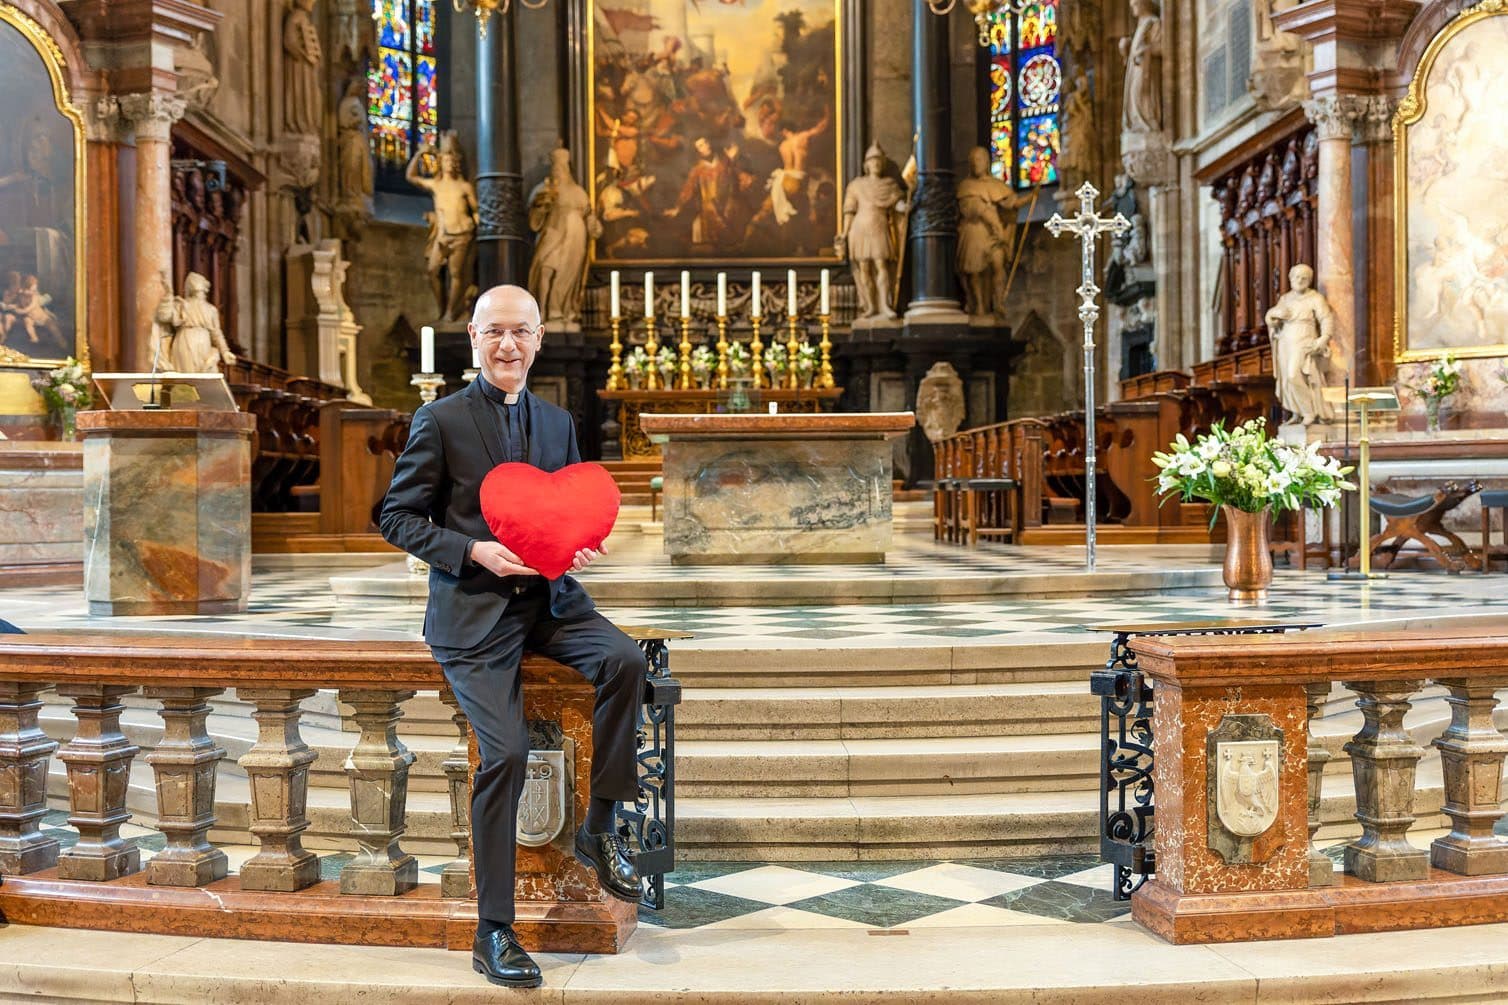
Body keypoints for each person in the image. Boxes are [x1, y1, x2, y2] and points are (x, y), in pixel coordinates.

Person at [380, 285, 644, 990]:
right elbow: (396, 517)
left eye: (519, 332)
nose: (507, 344)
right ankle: (493, 928)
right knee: (507, 751)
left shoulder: (558, 422)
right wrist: (474, 552)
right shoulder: (439, 420)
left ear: (538, 338)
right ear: (473, 336)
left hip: (552, 603)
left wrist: (579, 545)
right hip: (474, 612)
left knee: (625, 661)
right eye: (494, 331)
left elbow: (562, 512)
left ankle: (601, 824)